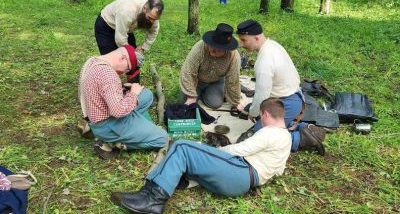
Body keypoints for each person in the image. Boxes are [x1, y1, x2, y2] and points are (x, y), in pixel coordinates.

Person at [110, 98, 292, 214]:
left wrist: (215, 153)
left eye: (261, 117)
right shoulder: (287, 137)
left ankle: (153, 200)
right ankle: (149, 192)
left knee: (181, 146)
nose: (261, 121)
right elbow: (279, 170)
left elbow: (240, 150)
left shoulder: (270, 132)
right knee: (190, 155)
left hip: (240, 172)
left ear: (266, 114)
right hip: (245, 181)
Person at [236, 19, 326, 154]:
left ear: (256, 38)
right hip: (292, 96)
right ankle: (304, 126)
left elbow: (262, 95)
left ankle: (302, 138)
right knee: (255, 111)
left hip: (287, 102)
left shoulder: (263, 63)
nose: (241, 44)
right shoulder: (272, 45)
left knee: (259, 137)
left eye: (244, 40)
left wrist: (253, 113)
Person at [78, 45, 168, 159]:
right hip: (109, 124)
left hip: (96, 116)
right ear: (122, 58)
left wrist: (122, 88)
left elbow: (100, 89)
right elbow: (118, 111)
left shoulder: (93, 61)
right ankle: (114, 142)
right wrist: (133, 93)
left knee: (147, 95)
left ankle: (132, 124)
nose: (125, 72)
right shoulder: (108, 75)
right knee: (163, 138)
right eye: (127, 68)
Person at [94, 0, 164, 83]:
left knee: (134, 60)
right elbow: (120, 39)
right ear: (145, 9)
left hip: (125, 27)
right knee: (111, 62)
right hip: (106, 25)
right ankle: (111, 88)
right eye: (150, 18)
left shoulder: (153, 15)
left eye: (155, 19)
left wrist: (143, 47)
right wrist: (129, 54)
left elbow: (153, 32)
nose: (152, 21)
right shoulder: (127, 11)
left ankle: (134, 88)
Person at [180, 23, 244, 110]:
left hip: (216, 81)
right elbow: (188, 71)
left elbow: (233, 80)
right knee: (184, 103)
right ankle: (197, 93)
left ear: (226, 49)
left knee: (215, 104)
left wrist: (236, 102)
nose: (214, 50)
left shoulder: (233, 56)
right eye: (213, 45)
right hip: (196, 80)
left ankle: (210, 92)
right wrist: (191, 96)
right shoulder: (200, 48)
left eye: (218, 48)